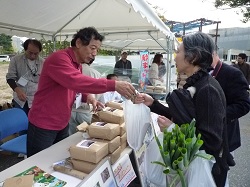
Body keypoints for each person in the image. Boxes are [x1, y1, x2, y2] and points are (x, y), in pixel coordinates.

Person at [135, 32, 230, 187]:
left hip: (206, 173)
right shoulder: (198, 83)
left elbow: (211, 141)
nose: (174, 57)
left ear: (193, 57)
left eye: (179, 51)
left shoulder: (207, 89)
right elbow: (186, 118)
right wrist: (153, 104)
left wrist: (173, 129)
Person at [27, 27, 136, 157]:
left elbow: (74, 87)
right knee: (38, 164)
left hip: (62, 122)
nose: (95, 53)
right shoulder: (59, 58)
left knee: (57, 159)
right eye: (93, 48)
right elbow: (75, 81)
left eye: (97, 49)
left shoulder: (77, 64)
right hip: (43, 124)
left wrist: (88, 97)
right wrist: (113, 85)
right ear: (78, 43)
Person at [211, 52, 250, 166]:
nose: (238, 59)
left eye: (240, 58)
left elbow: (244, 105)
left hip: (227, 133)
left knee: (221, 172)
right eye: (237, 58)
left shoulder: (233, 72)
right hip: (209, 137)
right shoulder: (203, 71)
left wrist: (216, 115)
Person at [6, 39, 44, 115]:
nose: (33, 56)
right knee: (20, 120)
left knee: (35, 122)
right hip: (20, 98)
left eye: (36, 53)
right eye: (30, 53)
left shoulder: (43, 62)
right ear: (25, 49)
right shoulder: (16, 60)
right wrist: (18, 91)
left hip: (36, 98)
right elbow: (10, 78)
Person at [68, 59, 102, 135]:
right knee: (85, 135)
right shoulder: (95, 73)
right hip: (87, 110)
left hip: (72, 109)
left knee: (70, 137)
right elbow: (100, 93)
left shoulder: (71, 71)